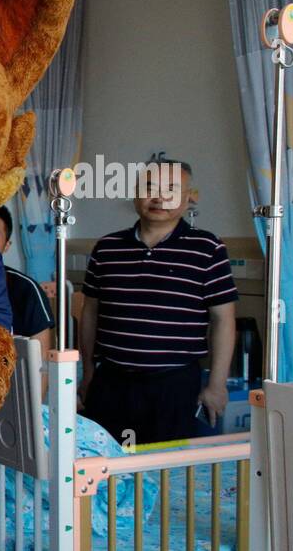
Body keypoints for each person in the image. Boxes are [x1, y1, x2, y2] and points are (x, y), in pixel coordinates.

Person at [79, 157, 237, 445]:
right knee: (103, 464)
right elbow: (90, 313)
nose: (159, 197)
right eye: (150, 187)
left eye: (172, 189)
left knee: (164, 472)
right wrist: (89, 373)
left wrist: (217, 384)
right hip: (111, 381)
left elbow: (224, 319)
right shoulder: (107, 248)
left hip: (173, 383)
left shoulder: (208, 248)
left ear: (190, 198)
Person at [0, 204, 55, 392]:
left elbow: (41, 360)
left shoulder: (26, 290)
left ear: (6, 245)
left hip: (13, 392)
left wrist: (33, 412)